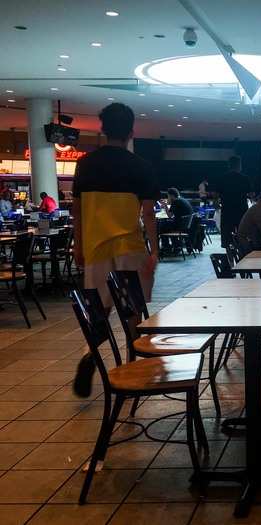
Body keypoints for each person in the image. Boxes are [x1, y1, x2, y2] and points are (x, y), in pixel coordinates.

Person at [71, 102, 159, 396]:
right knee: (133, 311)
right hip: (129, 247)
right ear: (131, 131)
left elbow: (78, 210)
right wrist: (154, 251)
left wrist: (79, 246)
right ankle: (135, 367)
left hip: (96, 248)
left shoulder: (85, 164)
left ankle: (89, 356)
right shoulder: (141, 166)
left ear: (102, 129)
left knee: (101, 309)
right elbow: (148, 214)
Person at [209, 155, 253, 248]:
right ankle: (242, 254)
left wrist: (216, 204)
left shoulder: (222, 178)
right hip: (241, 210)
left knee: (227, 236)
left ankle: (230, 256)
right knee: (242, 234)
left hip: (227, 210)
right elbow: (251, 194)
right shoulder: (244, 178)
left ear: (229, 165)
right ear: (239, 165)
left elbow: (215, 195)